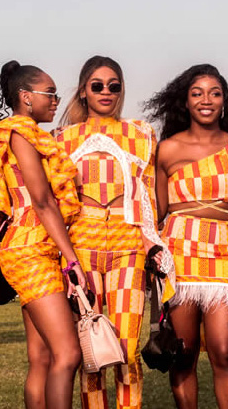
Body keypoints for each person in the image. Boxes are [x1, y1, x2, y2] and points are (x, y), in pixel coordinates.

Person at [145, 63, 228, 409]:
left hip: (227, 252)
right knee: (183, 353)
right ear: (185, 101)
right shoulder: (166, 149)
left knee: (226, 350)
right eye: (197, 93)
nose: (206, 100)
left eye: (215, 93)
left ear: (224, 101)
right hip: (179, 254)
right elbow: (156, 211)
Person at [56, 55, 173, 409]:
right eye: (97, 86)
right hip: (80, 246)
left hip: (128, 244)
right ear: (83, 91)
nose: (106, 91)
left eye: (114, 85)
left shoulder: (142, 133)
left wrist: (152, 243)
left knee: (126, 349)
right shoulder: (61, 139)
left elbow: (149, 195)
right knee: (92, 350)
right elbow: (56, 199)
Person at [0, 60, 87, 409]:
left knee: (41, 358)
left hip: (28, 248)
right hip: (31, 250)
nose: (56, 101)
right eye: (49, 93)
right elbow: (42, 201)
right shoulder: (22, 134)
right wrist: (72, 259)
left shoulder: (22, 134)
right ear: (26, 96)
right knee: (68, 354)